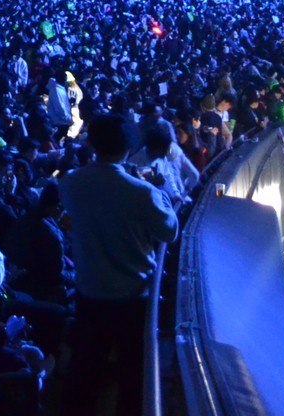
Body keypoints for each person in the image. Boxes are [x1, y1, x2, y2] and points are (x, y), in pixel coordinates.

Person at [55, 113, 178, 416]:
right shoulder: (142, 192)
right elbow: (169, 231)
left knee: (85, 370)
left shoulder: (70, 184)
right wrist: (155, 190)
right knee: (133, 374)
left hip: (89, 292)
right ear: (127, 147)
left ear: (93, 144)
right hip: (133, 298)